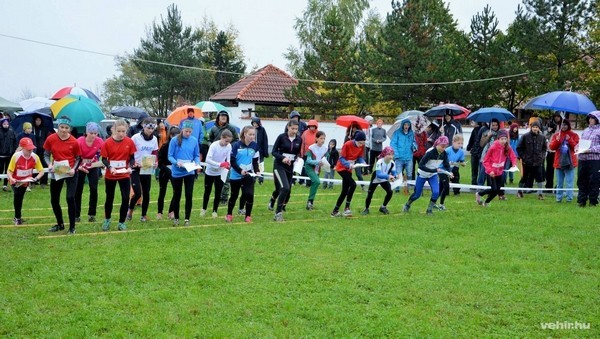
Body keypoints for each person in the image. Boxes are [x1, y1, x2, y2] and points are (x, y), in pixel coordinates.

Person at [44, 116, 81, 234]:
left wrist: (74, 169)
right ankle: (60, 224)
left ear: (69, 129)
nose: (64, 130)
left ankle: (72, 227)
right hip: (58, 170)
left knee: (70, 198)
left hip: (70, 171)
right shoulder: (51, 139)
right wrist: (49, 164)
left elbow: (78, 158)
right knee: (54, 199)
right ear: (58, 127)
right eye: (62, 127)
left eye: (66, 128)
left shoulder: (74, 141)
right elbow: (46, 154)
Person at [101, 119, 136, 231]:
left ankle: (121, 222)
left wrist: (130, 167)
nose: (121, 134)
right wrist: (110, 167)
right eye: (119, 131)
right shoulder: (107, 142)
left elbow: (132, 157)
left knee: (126, 198)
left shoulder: (129, 142)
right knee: (109, 198)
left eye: (123, 131)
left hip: (124, 174)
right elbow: (104, 159)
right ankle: (107, 219)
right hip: (111, 174)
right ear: (114, 130)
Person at [402, 136, 452, 215]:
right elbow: (421, 166)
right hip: (422, 174)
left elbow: (446, 164)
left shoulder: (444, 154)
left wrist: (450, 172)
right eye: (442, 146)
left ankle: (429, 209)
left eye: (445, 147)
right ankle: (408, 204)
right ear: (437, 144)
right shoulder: (430, 152)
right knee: (417, 194)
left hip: (433, 175)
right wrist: (434, 170)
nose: (444, 148)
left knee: (436, 192)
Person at [168, 120, 201, 226]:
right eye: (186, 131)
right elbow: (170, 156)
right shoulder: (174, 140)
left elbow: (196, 155)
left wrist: (197, 162)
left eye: (190, 132)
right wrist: (176, 162)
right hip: (177, 171)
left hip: (189, 171)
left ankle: (187, 218)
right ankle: (176, 218)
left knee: (189, 194)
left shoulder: (194, 140)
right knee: (177, 195)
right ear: (182, 130)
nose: (188, 134)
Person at [6, 137, 45, 225]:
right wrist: (12, 179)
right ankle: (17, 218)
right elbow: (9, 171)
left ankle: (18, 216)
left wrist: (36, 179)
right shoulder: (16, 156)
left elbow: (41, 171)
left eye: (31, 149)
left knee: (20, 197)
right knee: (17, 196)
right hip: (15, 180)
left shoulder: (35, 157)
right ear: (22, 148)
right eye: (28, 149)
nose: (30, 151)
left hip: (26, 181)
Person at [269, 119, 302, 221]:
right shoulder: (281, 137)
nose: (294, 131)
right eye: (292, 128)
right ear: (288, 127)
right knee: (285, 187)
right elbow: (273, 152)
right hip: (279, 165)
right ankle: (278, 213)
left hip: (290, 167)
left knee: (285, 191)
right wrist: (282, 158)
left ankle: (272, 200)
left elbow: (297, 152)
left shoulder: (299, 139)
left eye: (296, 129)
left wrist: (297, 159)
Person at [226, 126, 261, 223]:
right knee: (234, 195)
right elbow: (232, 161)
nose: (252, 136)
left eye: (253, 135)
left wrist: (257, 170)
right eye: (250, 134)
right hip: (236, 174)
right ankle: (229, 214)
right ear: (244, 134)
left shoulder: (255, 146)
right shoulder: (237, 145)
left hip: (248, 174)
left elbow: (255, 161)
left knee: (249, 194)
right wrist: (240, 170)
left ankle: (248, 216)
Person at [127, 117, 159, 222]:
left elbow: (155, 152)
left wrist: (156, 162)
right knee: (137, 193)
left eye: (152, 129)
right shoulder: (135, 138)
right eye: (148, 129)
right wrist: (133, 163)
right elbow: (129, 153)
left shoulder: (154, 139)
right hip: (136, 167)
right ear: (143, 127)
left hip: (146, 167)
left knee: (146, 192)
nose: (150, 131)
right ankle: (130, 211)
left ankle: (143, 215)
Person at [476, 130, 518, 206]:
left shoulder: (507, 147)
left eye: (505, 139)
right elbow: (485, 160)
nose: (503, 141)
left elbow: (513, 156)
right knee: (494, 189)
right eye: (502, 139)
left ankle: (486, 202)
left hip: (500, 172)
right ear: (498, 139)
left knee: (497, 190)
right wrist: (490, 170)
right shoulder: (493, 147)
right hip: (491, 172)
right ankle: (479, 194)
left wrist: (514, 164)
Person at [331, 130, 367, 217]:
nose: (361, 145)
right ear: (356, 140)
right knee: (353, 184)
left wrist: (363, 162)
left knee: (344, 191)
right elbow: (342, 158)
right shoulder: (347, 144)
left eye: (363, 143)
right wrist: (348, 164)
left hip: (350, 169)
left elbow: (359, 157)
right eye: (360, 143)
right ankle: (347, 208)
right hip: (342, 168)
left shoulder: (361, 146)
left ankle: (335, 211)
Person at [74, 122, 104, 223]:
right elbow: (75, 156)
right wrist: (80, 166)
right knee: (78, 189)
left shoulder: (99, 141)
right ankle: (76, 214)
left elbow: (105, 153)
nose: (93, 135)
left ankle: (92, 214)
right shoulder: (79, 141)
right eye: (91, 133)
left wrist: (103, 161)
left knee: (94, 188)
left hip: (93, 165)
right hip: (80, 165)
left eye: (95, 133)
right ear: (86, 132)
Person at [208, 111, 239, 205]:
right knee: (215, 178)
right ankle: (216, 196)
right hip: (215, 157)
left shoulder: (231, 128)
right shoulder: (213, 128)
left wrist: (227, 145)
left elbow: (236, 140)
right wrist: (212, 146)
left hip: (226, 155)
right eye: (222, 116)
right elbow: (209, 139)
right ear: (218, 117)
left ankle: (224, 198)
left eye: (225, 116)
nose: (224, 117)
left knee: (226, 178)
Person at [202, 130, 233, 219]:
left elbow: (228, 158)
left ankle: (215, 210)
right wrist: (219, 164)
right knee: (207, 191)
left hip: (220, 172)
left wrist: (228, 164)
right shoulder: (214, 146)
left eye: (229, 142)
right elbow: (208, 159)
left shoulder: (229, 146)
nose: (227, 143)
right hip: (210, 171)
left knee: (218, 191)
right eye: (226, 141)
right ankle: (204, 208)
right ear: (222, 138)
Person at [548, 119, 579, 203]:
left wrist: (570, 140)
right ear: (560, 125)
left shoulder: (574, 135)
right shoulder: (556, 135)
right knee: (559, 182)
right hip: (559, 162)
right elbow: (551, 147)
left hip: (570, 162)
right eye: (562, 125)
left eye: (565, 125)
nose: (563, 126)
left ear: (568, 126)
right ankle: (558, 198)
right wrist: (557, 140)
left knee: (569, 182)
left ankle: (569, 198)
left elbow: (576, 147)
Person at [360, 146, 397, 215]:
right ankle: (366, 208)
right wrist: (388, 176)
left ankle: (383, 207)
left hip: (384, 179)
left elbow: (394, 172)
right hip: (376, 179)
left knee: (390, 192)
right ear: (385, 154)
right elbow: (379, 174)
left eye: (392, 154)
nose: (391, 156)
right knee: (370, 194)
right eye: (389, 154)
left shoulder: (392, 163)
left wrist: (395, 176)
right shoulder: (379, 162)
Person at [516, 120, 547, 200]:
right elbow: (519, 148)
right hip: (527, 162)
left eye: (536, 127)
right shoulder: (525, 136)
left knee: (539, 178)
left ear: (539, 128)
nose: (535, 128)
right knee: (525, 177)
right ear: (531, 127)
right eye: (533, 127)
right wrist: (524, 157)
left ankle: (540, 194)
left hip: (538, 162)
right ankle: (519, 192)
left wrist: (542, 156)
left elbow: (544, 148)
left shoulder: (542, 137)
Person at [576, 111, 600, 207]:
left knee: (594, 180)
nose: (590, 120)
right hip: (582, 159)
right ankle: (581, 201)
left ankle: (593, 202)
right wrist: (577, 148)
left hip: (594, 160)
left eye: (592, 118)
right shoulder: (585, 130)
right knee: (581, 180)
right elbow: (580, 142)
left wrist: (590, 150)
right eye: (589, 118)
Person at [156, 126, 179, 220]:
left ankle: (171, 211)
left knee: (176, 191)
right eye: (175, 136)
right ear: (170, 135)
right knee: (162, 192)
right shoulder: (165, 146)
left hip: (175, 171)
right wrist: (167, 169)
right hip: (165, 171)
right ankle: (159, 212)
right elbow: (160, 162)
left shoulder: (179, 146)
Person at [438, 134, 466, 210]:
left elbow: (462, 161)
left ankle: (435, 203)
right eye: (458, 143)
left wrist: (463, 163)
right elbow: (442, 161)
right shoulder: (447, 150)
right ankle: (441, 204)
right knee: (446, 186)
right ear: (453, 142)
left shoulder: (461, 152)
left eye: (461, 143)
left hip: (450, 170)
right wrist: (449, 163)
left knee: (441, 187)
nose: (460, 145)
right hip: (442, 170)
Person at [390, 118, 416, 193]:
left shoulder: (412, 133)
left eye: (408, 125)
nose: (406, 126)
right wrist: (396, 154)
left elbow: (414, 142)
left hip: (409, 157)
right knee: (398, 173)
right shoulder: (397, 133)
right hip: (399, 157)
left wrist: (414, 146)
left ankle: (407, 188)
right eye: (405, 125)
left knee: (409, 174)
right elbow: (393, 144)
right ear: (402, 125)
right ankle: (397, 188)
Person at [304, 130, 328, 210]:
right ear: (316, 138)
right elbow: (308, 160)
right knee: (317, 181)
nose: (323, 140)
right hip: (310, 167)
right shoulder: (311, 148)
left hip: (318, 168)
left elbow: (326, 159)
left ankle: (310, 202)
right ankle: (310, 201)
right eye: (321, 138)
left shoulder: (325, 149)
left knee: (315, 183)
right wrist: (317, 162)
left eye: (324, 138)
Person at [32, 116, 53, 187]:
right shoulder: (32, 129)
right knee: (34, 165)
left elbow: (48, 139)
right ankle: (34, 181)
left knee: (44, 165)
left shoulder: (44, 129)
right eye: (37, 120)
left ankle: (44, 181)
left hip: (43, 150)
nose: (38, 121)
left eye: (39, 120)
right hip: (34, 150)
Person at [545, 112, 563, 191]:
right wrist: (549, 131)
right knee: (549, 169)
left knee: (560, 169)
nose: (556, 118)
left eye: (558, 117)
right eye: (555, 116)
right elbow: (545, 136)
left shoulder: (563, 125)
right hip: (551, 149)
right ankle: (549, 185)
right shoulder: (550, 124)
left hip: (560, 150)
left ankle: (559, 185)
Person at [0, 117, 18, 191]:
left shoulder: (12, 132)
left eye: (7, 124)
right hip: (0, 155)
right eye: (4, 124)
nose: (6, 125)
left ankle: (5, 185)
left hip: (9, 155)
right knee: (0, 169)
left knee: (8, 170)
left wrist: (13, 151)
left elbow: (15, 142)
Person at [300, 119, 319, 186]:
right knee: (307, 168)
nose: (312, 128)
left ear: (316, 126)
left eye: (313, 126)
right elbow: (302, 143)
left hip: (315, 154)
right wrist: (301, 152)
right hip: (307, 154)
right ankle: (308, 183)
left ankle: (314, 181)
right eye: (310, 126)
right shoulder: (305, 133)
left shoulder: (318, 133)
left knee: (314, 169)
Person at [466, 121, 485, 186]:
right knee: (478, 168)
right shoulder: (476, 130)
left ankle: (475, 183)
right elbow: (472, 140)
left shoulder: (484, 130)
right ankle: (476, 183)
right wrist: (469, 147)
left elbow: (471, 140)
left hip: (479, 151)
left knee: (476, 168)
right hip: (476, 151)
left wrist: (468, 147)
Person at [251, 116, 268, 185]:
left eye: (256, 123)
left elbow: (265, 141)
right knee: (253, 165)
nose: (255, 125)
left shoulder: (262, 130)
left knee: (261, 165)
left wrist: (265, 151)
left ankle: (261, 179)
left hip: (260, 151)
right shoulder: (251, 129)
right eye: (253, 123)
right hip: (252, 150)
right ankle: (253, 178)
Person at [412, 115, 429, 180]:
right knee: (412, 168)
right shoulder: (412, 133)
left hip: (421, 153)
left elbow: (425, 142)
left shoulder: (424, 133)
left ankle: (420, 179)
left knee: (421, 167)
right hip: (413, 152)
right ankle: (412, 181)